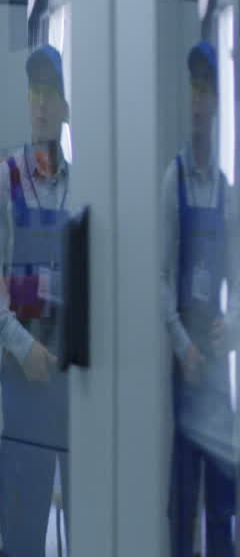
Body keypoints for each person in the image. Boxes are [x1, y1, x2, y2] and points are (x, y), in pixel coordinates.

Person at [0, 44, 71, 555]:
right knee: (25, 517)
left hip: (73, 377)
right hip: (24, 374)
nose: (40, 104)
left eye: (49, 92)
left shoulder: (82, 187)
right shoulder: (3, 182)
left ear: (65, 106)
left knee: (84, 512)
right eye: (33, 92)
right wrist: (21, 344)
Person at [163, 41, 236, 557]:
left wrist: (232, 324)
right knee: (183, 497)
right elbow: (159, 274)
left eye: (204, 89)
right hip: (181, 367)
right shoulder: (175, 179)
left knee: (223, 502)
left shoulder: (228, 191)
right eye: (190, 88)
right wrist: (180, 341)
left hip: (214, 361)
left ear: (214, 99)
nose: (197, 100)